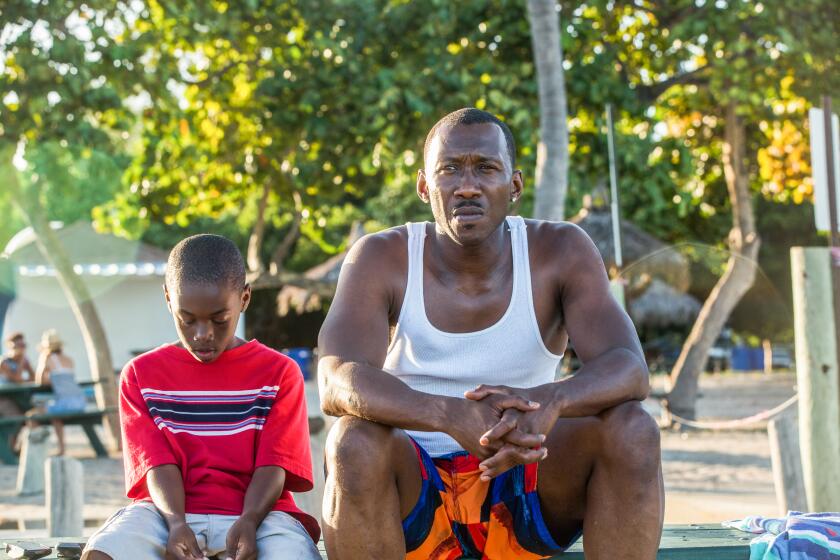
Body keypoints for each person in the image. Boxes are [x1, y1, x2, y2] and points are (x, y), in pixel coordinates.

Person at [318, 108, 664, 560]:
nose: (467, 186)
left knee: (634, 429)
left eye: (486, 168)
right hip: (415, 494)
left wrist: (548, 403)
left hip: (528, 487)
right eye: (449, 170)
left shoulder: (559, 250)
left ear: (514, 186)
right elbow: (335, 379)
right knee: (350, 443)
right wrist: (447, 415)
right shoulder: (382, 257)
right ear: (425, 186)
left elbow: (629, 367)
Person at [82, 234, 320, 560]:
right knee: (102, 552)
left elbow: (273, 466)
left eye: (219, 319)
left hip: (259, 516)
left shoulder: (280, 372)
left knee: (294, 554)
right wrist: (177, 523)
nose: (203, 333)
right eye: (187, 319)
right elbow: (156, 464)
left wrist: (249, 520)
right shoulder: (141, 375)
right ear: (168, 299)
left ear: (245, 298)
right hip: (165, 515)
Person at [29, 329, 84, 456]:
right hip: (80, 402)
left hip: (65, 403)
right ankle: (61, 449)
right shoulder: (69, 359)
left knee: (31, 416)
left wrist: (42, 359)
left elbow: (39, 380)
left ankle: (37, 451)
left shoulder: (48, 359)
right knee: (55, 416)